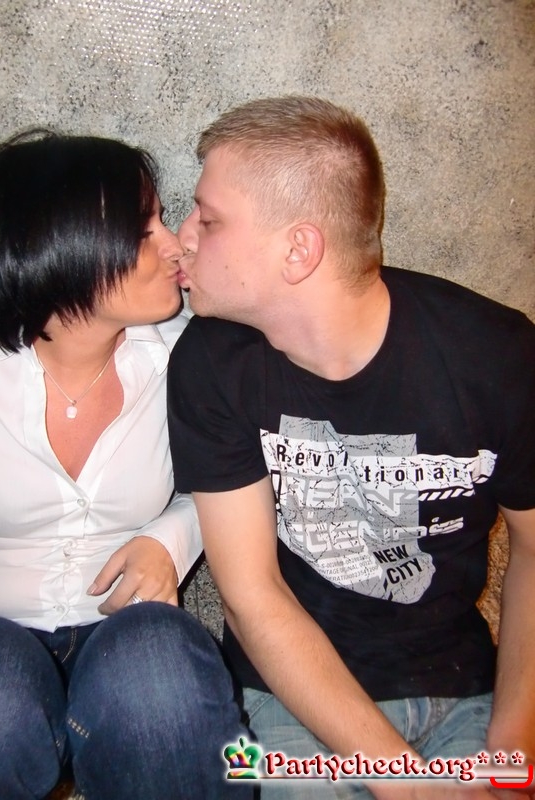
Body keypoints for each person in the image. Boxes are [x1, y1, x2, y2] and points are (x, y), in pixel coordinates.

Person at [167, 96, 535, 800]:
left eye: (207, 220)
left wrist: (513, 759)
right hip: (295, 691)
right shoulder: (212, 363)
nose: (181, 238)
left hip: (461, 686)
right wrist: (406, 783)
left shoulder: (498, 357)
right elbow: (251, 599)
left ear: (298, 250)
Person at [0, 130, 252, 800]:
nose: (175, 245)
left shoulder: (191, 354)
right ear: (61, 246)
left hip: (131, 639)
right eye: (144, 230)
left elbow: (239, 481)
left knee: (160, 675)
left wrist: (171, 539)